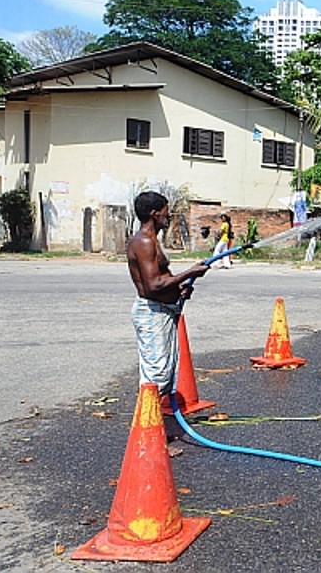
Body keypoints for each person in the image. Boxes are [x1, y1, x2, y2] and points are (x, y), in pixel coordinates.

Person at [127, 192, 210, 454]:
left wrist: (180, 290)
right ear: (154, 214)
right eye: (165, 211)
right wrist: (190, 272)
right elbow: (153, 285)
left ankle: (153, 434)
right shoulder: (144, 242)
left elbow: (162, 278)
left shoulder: (151, 240)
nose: (168, 215)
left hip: (163, 310)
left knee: (164, 375)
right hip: (152, 314)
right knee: (155, 378)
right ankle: (148, 442)